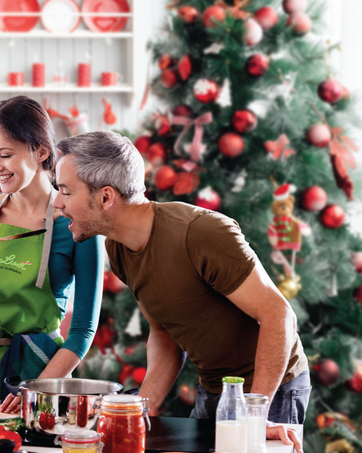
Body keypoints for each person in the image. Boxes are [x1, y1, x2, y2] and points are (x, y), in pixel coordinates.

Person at [52, 131, 308, 453]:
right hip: (215, 389)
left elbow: (278, 315)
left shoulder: (199, 233)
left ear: (105, 197)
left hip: (271, 390)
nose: (57, 202)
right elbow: (164, 331)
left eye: (64, 191)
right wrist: (146, 404)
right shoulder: (118, 248)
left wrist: (254, 417)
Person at [0, 96, 104, 411]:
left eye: (5, 155)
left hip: (41, 377)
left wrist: (36, 390)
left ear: (41, 151)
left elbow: (83, 329)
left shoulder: (76, 222)